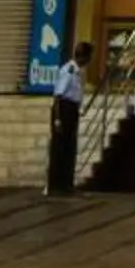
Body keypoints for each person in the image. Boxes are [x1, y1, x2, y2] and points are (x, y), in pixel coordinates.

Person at [49, 41, 92, 196]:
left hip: (72, 109)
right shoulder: (69, 70)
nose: (88, 62)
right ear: (83, 57)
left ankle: (66, 184)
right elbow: (58, 96)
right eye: (88, 58)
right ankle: (55, 185)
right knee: (59, 149)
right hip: (64, 109)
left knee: (69, 148)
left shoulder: (78, 72)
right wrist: (57, 119)